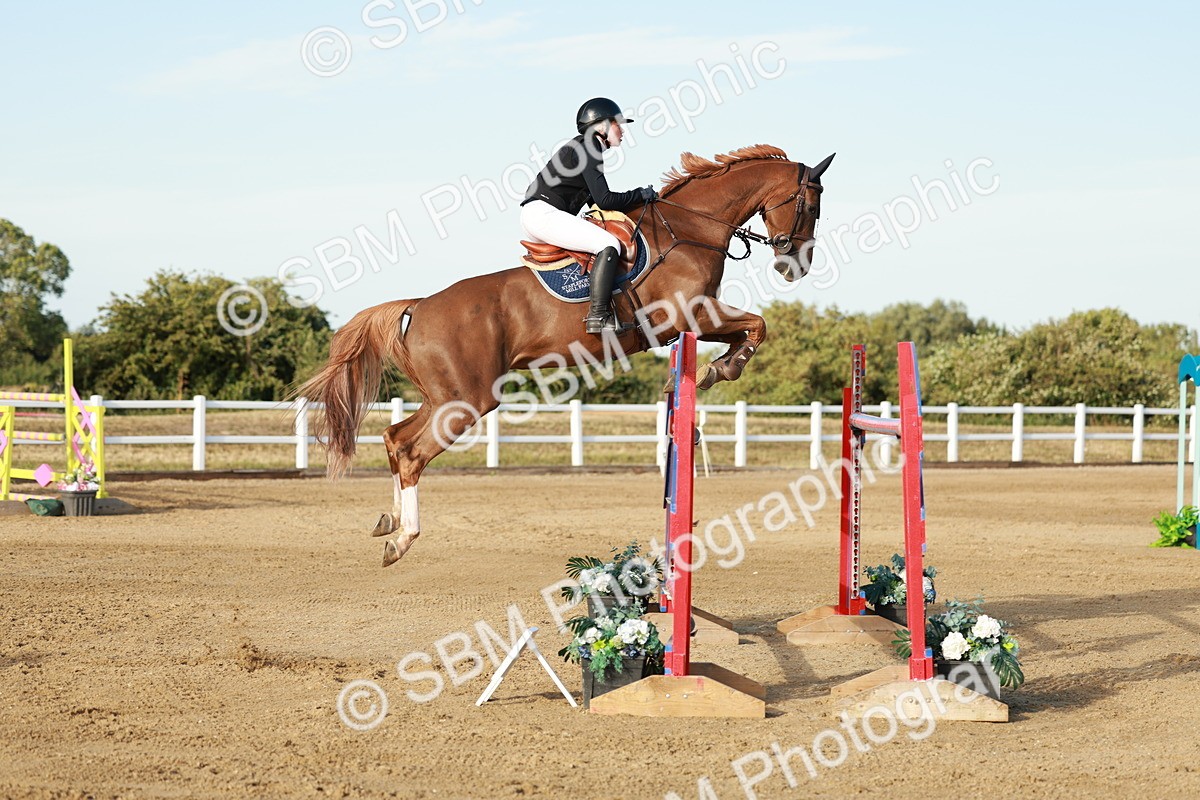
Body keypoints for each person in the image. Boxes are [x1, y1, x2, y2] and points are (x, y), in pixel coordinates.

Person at [521, 97, 657, 334]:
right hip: (544, 214)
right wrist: (640, 194)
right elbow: (605, 200)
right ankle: (599, 315)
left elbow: (597, 204)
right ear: (601, 126)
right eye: (617, 124)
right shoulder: (589, 145)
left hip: (539, 214)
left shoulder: (583, 146)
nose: (622, 130)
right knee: (608, 243)